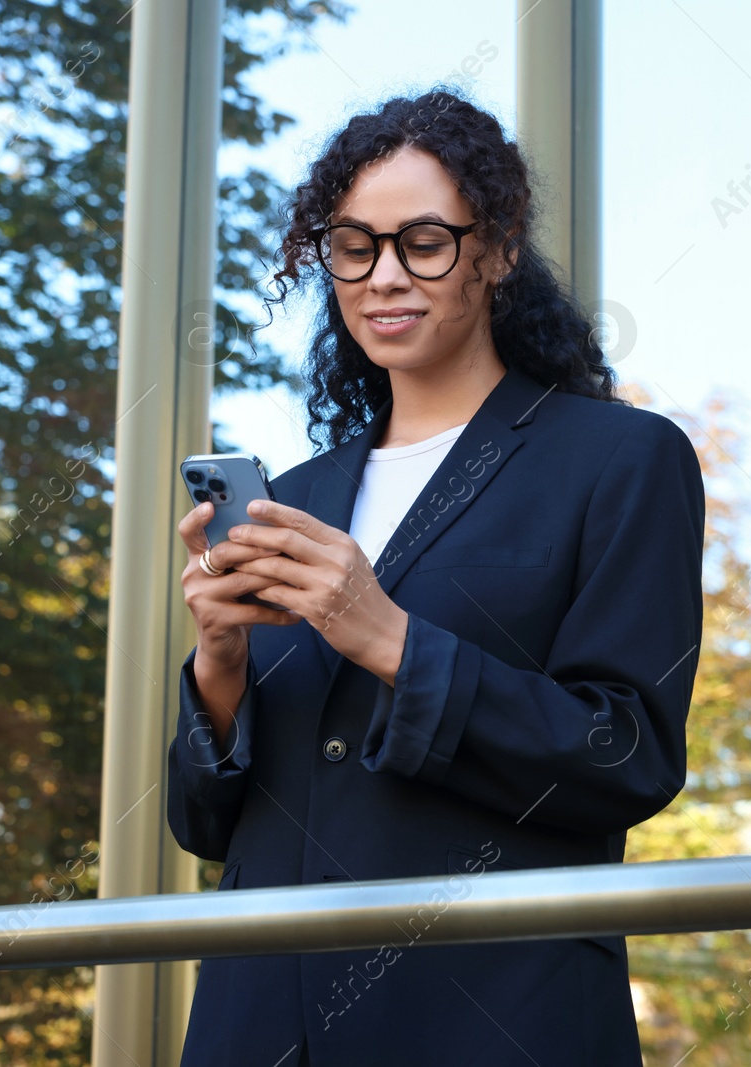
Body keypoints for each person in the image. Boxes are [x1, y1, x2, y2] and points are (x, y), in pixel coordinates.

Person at [166, 87, 705, 1066]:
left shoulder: (618, 459)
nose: (382, 275)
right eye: (353, 245)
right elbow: (203, 825)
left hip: (490, 1014)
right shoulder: (299, 494)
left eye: (423, 241)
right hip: (260, 1020)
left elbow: (626, 754)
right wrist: (220, 663)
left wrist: (385, 635)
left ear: (496, 250)